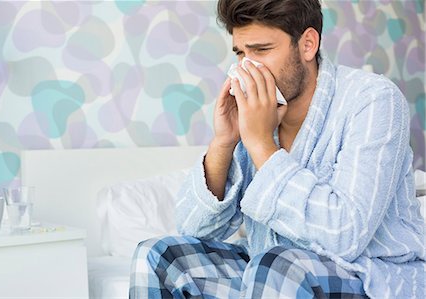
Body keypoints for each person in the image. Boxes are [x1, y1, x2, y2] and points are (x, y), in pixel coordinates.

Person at [129, 0, 425, 298]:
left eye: (262, 50)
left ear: (307, 45)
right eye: (241, 53)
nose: (247, 68)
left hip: (367, 274)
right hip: (271, 269)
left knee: (275, 268)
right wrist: (224, 142)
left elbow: (345, 235)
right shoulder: (258, 114)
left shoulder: (373, 100)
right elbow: (194, 231)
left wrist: (261, 144)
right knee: (159, 255)